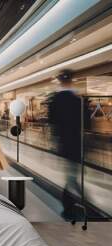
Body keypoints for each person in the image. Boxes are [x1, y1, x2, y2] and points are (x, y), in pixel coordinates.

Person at [47, 70, 87, 218]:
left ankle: (72, 205)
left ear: (59, 81)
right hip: (77, 143)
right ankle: (77, 205)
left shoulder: (54, 100)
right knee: (72, 177)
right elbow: (86, 123)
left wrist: (53, 142)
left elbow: (52, 122)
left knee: (71, 176)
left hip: (63, 144)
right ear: (71, 80)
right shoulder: (78, 99)